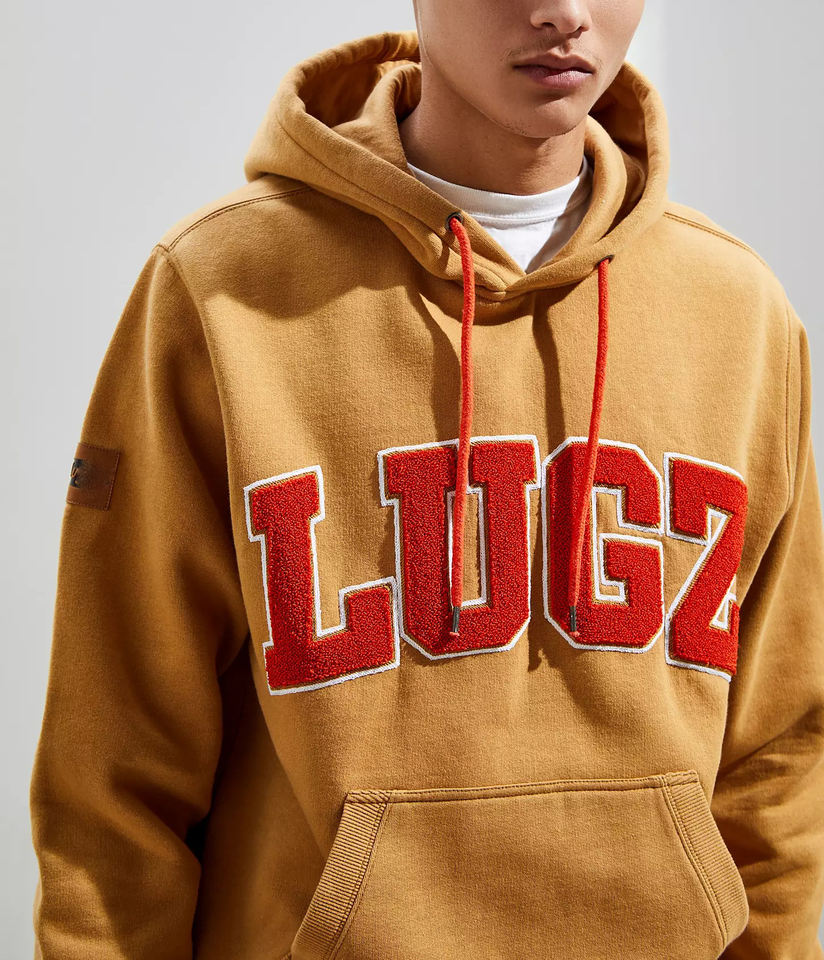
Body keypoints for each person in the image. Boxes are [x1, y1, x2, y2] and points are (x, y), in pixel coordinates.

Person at [28, 0, 824, 957]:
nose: (564, 13)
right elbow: (112, 776)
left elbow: (779, 756)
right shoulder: (222, 290)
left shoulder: (738, 313)